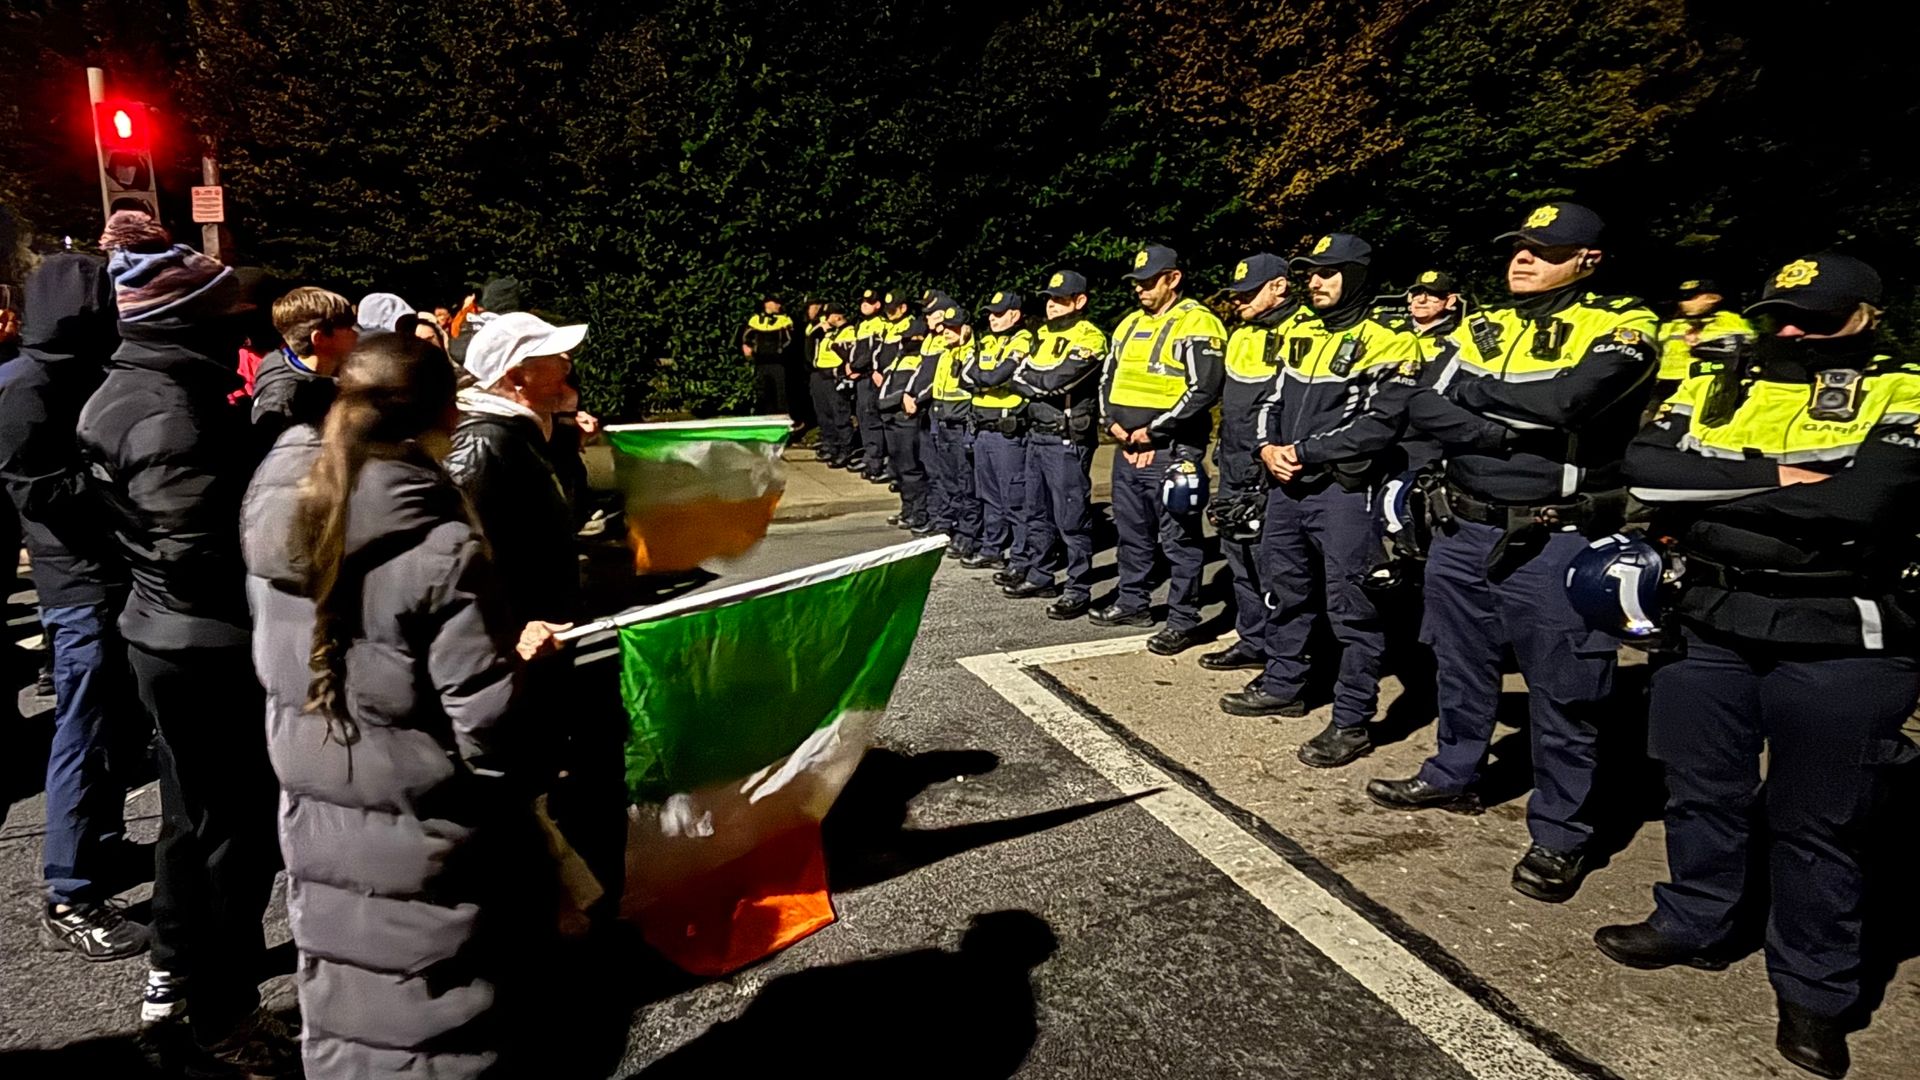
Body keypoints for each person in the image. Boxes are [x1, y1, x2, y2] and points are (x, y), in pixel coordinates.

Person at [1607, 254, 1916, 1080]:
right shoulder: (1720, 382)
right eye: (1781, 315)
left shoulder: (1905, 391)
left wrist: (1711, 489)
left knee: (1820, 823)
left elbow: (1858, 504)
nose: (1792, 332)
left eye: (1816, 318)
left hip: (1841, 632)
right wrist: (1778, 477)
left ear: (1866, 318)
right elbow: (1646, 469)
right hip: (1712, 617)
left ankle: (1815, 990)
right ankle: (1695, 921)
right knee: (1700, 788)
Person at [240, 333, 564, 1077]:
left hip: (316, 804)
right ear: (446, 412)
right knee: (440, 1016)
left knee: (347, 1000)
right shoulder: (441, 544)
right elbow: (489, 730)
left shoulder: (278, 500)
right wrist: (520, 670)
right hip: (427, 818)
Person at [1369, 202, 1659, 905]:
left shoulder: (1624, 324)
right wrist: (1501, 432)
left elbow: (1572, 404)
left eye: (1543, 249)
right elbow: (1416, 401)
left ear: (1588, 259)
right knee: (1459, 663)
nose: (1522, 258)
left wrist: (1473, 395)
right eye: (1518, 246)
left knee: (1564, 691)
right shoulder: (1485, 324)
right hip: (1462, 527)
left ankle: (1561, 831)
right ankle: (1454, 772)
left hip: (1555, 538)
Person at [74, 211, 294, 1071]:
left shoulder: (136, 391)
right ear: (184, 324)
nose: (241, 326)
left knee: (194, 827)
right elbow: (200, 549)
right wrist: (274, 460)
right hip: (204, 647)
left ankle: (183, 986)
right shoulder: (167, 414)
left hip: (167, 635)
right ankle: (222, 1015)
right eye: (225, 313)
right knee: (233, 840)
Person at [0, 252, 148, 961]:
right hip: (76, 584)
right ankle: (70, 894)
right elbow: (35, 490)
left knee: (114, 728)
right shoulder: (27, 385)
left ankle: (101, 846)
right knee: (83, 734)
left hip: (106, 574)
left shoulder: (76, 372)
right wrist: (116, 482)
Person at [1229, 235, 1422, 770]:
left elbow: (1380, 424)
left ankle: (1352, 719)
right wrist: (1267, 449)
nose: (1314, 282)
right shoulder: (1302, 333)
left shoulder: (1390, 342)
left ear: (1356, 276)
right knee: (1284, 589)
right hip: (1287, 486)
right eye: (1310, 272)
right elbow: (1269, 400)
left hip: (1344, 492)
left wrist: (1303, 451)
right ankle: (1284, 683)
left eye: (1327, 272)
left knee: (1352, 606)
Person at [1096, 244, 1226, 654]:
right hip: (1127, 446)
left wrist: (1153, 432)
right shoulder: (1129, 324)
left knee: (1179, 540)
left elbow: (1204, 389)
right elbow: (1107, 379)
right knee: (1132, 532)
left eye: (1149, 281)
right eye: (1136, 282)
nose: (1140, 289)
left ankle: (1182, 619)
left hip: (1172, 450)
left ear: (1173, 278)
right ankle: (1132, 602)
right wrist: (1112, 425)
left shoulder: (1198, 322)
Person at [448, 311, 587, 627]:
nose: (567, 370)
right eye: (557, 362)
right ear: (516, 378)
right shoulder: (481, 444)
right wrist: (510, 633)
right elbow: (464, 562)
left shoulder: (518, 432)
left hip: (544, 628)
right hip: (520, 637)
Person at [1198, 253, 1296, 673]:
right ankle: (1253, 639)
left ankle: (1286, 651)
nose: (1238, 300)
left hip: (1274, 469)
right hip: (1235, 463)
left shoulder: (1303, 331)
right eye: (1236, 293)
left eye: (1248, 292)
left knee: (1276, 565)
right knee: (1238, 556)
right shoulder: (1241, 334)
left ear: (1279, 286)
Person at [1003, 271, 1107, 618]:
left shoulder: (1090, 336)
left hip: (1066, 438)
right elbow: (1015, 375)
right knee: (1036, 511)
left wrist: (1035, 381)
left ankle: (1078, 588)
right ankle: (1040, 574)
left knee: (1072, 518)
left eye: (1060, 299)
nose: (1051, 305)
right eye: (1049, 298)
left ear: (1080, 301)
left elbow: (1060, 381)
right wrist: (1037, 381)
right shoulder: (1042, 335)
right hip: (1037, 433)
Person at [964, 291, 1036, 571]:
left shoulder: (1023, 339)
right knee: (989, 496)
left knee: (1015, 498)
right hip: (982, 429)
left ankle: (1021, 558)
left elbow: (995, 376)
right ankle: (992, 549)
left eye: (998, 313)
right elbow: (963, 376)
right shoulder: (986, 341)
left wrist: (984, 378)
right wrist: (986, 378)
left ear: (1014, 315)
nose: (992, 319)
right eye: (991, 314)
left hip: (1007, 432)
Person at [252, 286, 357, 445]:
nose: (356, 334)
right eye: (348, 328)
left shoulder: (279, 358)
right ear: (319, 338)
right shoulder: (288, 400)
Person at [927, 304, 981, 546]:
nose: (947, 332)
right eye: (945, 327)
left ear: (966, 329)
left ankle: (969, 534)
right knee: (947, 479)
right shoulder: (946, 353)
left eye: (954, 328)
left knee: (966, 482)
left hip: (961, 426)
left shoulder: (971, 354)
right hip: (943, 423)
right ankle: (950, 525)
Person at [876, 316, 934, 530]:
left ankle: (918, 513)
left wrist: (887, 403)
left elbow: (909, 391)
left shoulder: (921, 359)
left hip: (907, 420)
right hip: (891, 419)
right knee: (898, 469)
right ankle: (907, 508)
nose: (905, 341)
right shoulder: (899, 358)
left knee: (911, 469)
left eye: (910, 338)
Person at [1653, 277, 1754, 398]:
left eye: (1691, 298)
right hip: (1666, 385)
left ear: (1713, 298)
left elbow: (1741, 354)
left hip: (1709, 385)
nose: (1684, 302)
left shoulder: (1731, 321)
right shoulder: (1670, 325)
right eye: (1682, 297)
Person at [809, 302, 856, 467]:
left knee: (839, 413)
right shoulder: (829, 332)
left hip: (835, 376)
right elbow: (811, 340)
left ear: (836, 316)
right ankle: (831, 444)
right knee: (824, 413)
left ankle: (846, 448)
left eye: (827, 316)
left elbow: (847, 354)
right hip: (821, 375)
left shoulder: (848, 331)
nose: (825, 320)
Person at [851, 288, 890, 480]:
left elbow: (873, 353)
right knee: (863, 417)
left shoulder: (881, 324)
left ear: (878, 305)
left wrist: (855, 366)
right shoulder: (862, 325)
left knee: (871, 417)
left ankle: (876, 460)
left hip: (869, 376)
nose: (864, 305)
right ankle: (869, 455)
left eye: (869, 302)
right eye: (863, 301)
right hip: (860, 377)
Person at [740, 295, 794, 414]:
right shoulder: (755, 320)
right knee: (763, 394)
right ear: (768, 304)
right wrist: (747, 347)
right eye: (776, 303)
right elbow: (746, 338)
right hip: (761, 363)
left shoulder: (784, 320)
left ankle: (783, 418)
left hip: (778, 363)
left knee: (781, 394)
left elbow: (789, 340)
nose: (779, 305)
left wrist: (781, 352)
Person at [1406, 269, 1462, 353]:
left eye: (1432, 294)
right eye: (1417, 293)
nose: (1421, 300)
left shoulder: (1459, 334)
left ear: (1450, 301)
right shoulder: (1394, 329)